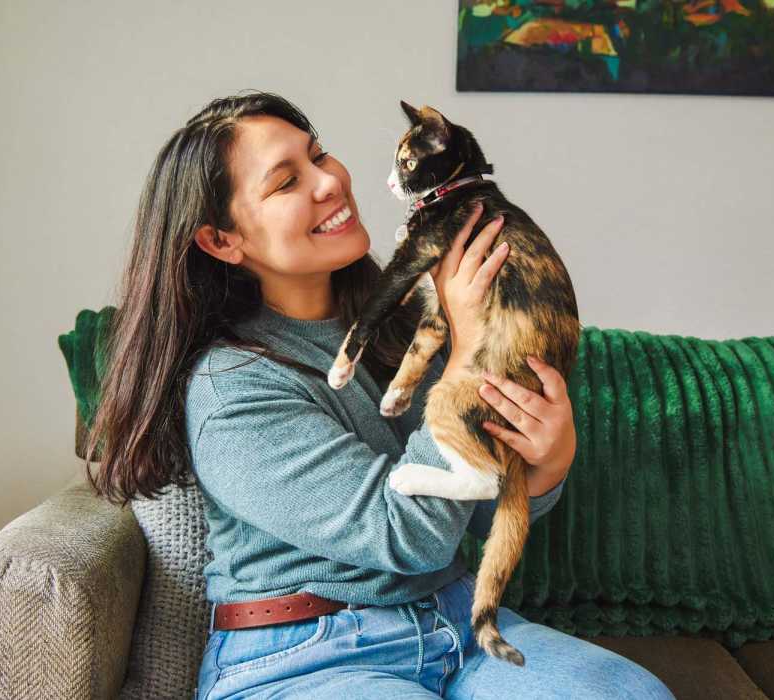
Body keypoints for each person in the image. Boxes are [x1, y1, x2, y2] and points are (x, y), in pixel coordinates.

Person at [85, 91, 673, 699]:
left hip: (461, 624)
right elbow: (408, 535)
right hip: (307, 655)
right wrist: (469, 353)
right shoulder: (231, 387)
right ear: (222, 240)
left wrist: (545, 464)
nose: (330, 182)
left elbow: (469, 513)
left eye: (320, 155)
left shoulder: (405, 325)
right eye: (287, 182)